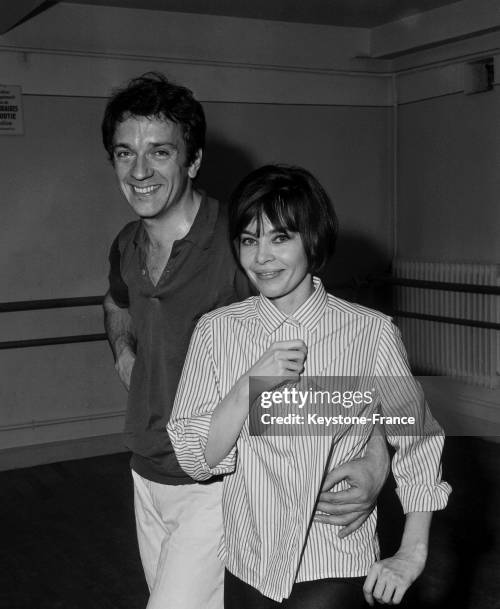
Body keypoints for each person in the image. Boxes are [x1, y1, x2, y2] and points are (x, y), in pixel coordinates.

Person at [102, 74, 390, 609]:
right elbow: (116, 301)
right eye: (125, 153)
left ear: (191, 161)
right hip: (147, 468)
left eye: (159, 152)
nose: (139, 171)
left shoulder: (242, 247)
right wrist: (124, 353)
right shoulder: (126, 242)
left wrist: (375, 460)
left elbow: (346, 356)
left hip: (226, 484)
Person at [167, 164, 452, 608]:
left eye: (280, 237)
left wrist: (412, 551)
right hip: (248, 565)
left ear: (312, 240)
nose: (261, 257)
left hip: (333, 561)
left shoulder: (368, 333)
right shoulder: (216, 332)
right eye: (248, 239)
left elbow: (417, 440)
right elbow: (196, 458)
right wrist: (250, 383)